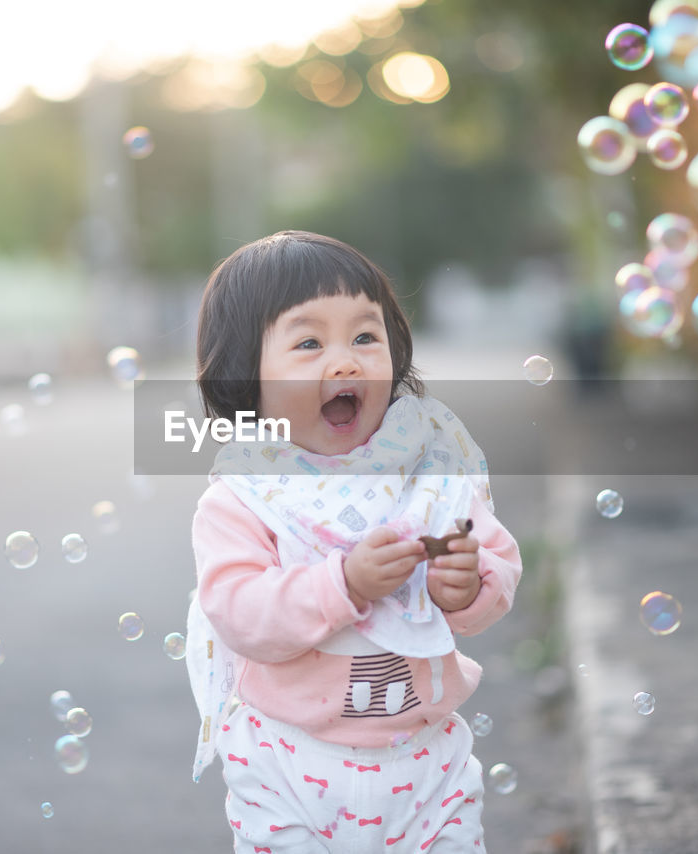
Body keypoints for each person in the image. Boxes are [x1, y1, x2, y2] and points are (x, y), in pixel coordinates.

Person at [186, 230, 522, 853]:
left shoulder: (425, 472)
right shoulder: (244, 496)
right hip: (288, 765)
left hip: (426, 766)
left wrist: (469, 588)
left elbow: (495, 558)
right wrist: (341, 584)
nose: (345, 362)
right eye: (309, 343)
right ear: (245, 377)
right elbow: (239, 612)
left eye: (365, 337)